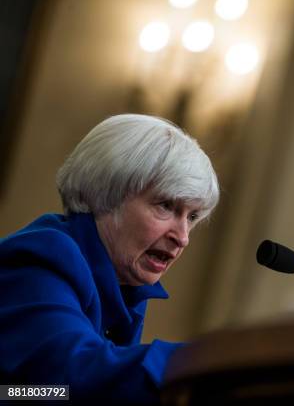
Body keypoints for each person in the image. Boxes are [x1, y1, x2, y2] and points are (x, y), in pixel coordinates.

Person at [0, 114, 219, 404]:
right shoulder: (41, 257)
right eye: (166, 206)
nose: (183, 236)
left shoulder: (124, 284)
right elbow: (64, 383)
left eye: (191, 217)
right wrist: (208, 362)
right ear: (106, 195)